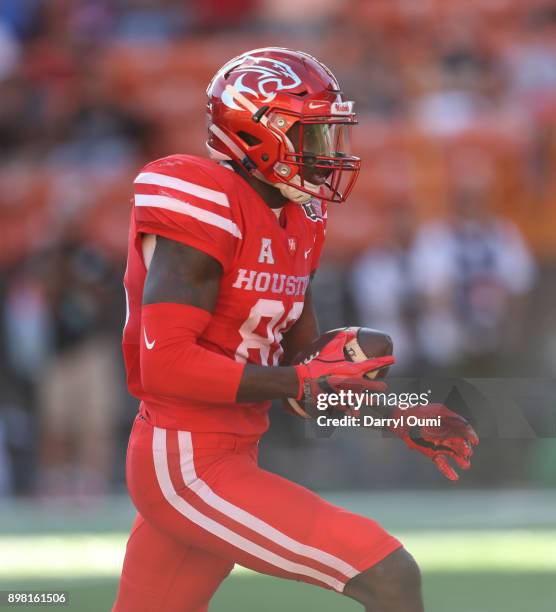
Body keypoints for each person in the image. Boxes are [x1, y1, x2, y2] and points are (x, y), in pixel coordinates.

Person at [114, 48, 477, 612]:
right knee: (388, 572)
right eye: (313, 136)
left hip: (230, 452)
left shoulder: (300, 215)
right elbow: (168, 364)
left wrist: (400, 410)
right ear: (258, 133)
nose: (328, 153)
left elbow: (301, 364)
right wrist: (304, 378)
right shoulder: (203, 200)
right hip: (183, 458)